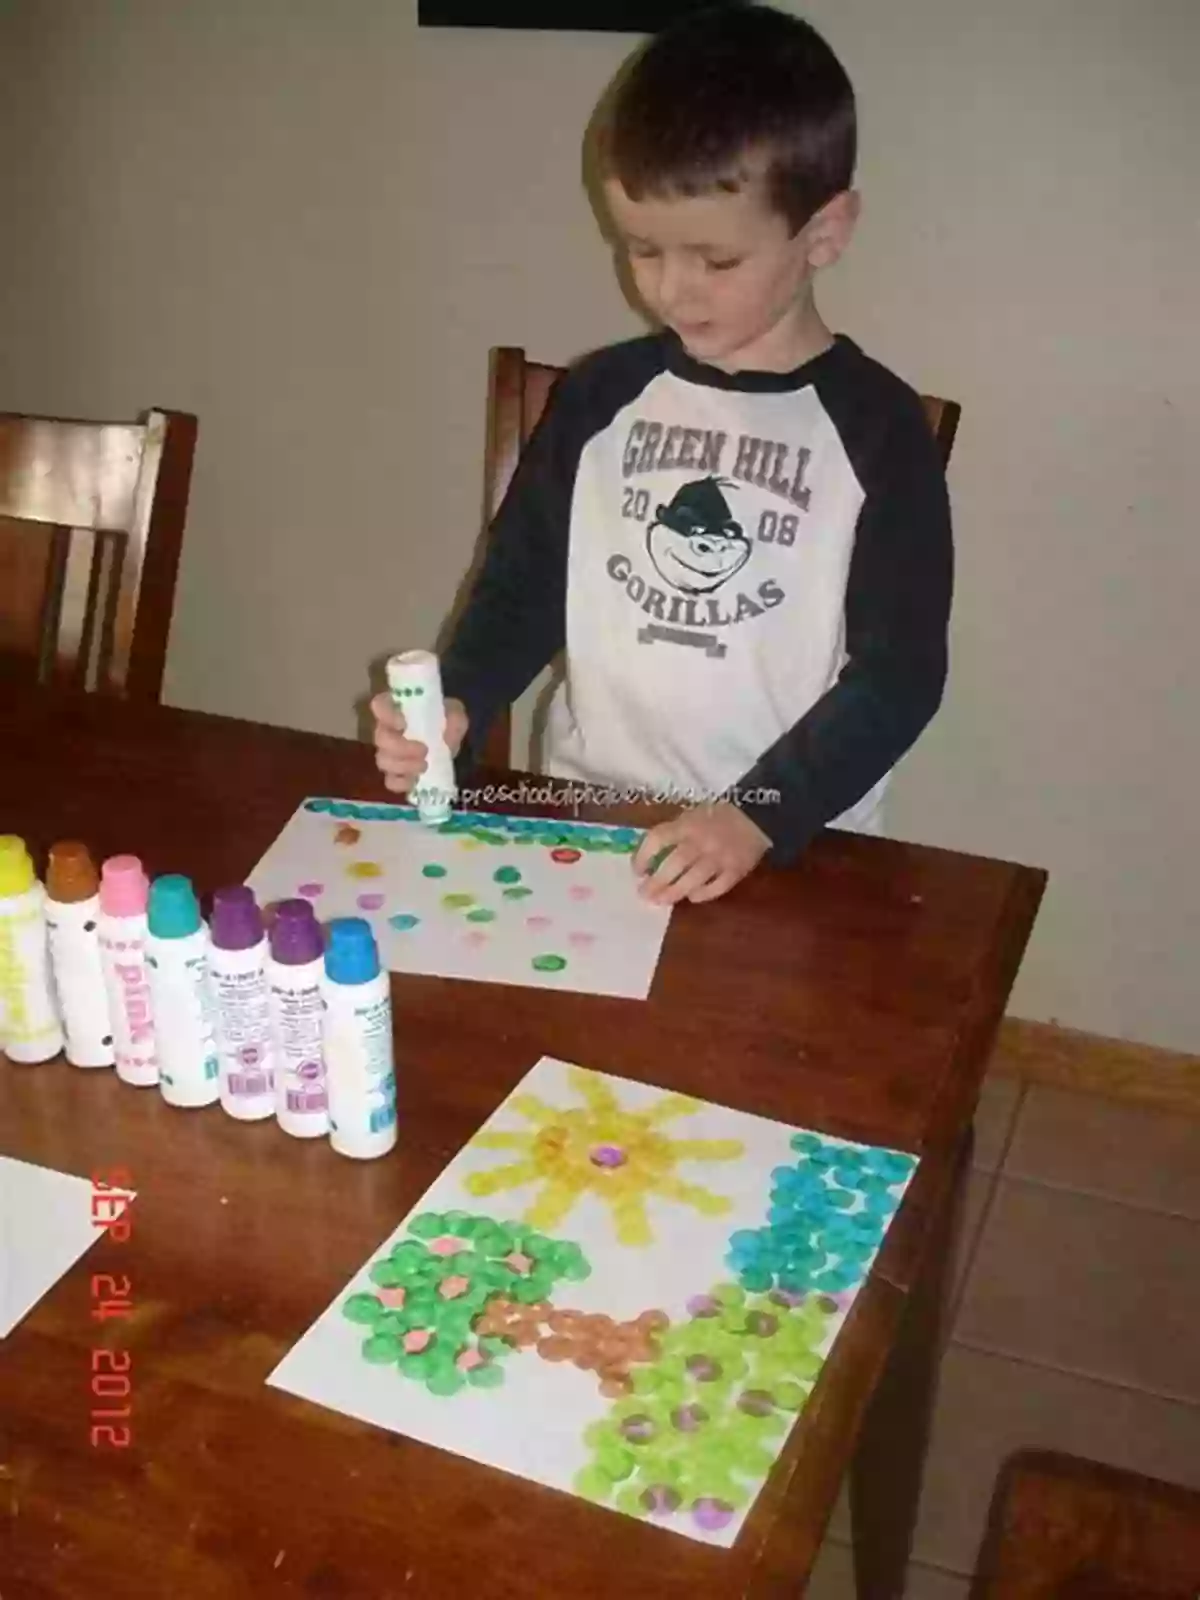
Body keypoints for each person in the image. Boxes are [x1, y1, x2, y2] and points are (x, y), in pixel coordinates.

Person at [371, 2, 953, 907]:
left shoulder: (879, 431)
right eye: (641, 249)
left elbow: (900, 674)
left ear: (824, 234)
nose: (670, 289)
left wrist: (756, 812)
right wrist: (461, 698)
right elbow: (523, 588)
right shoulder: (602, 395)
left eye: (714, 260)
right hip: (587, 817)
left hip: (786, 840)